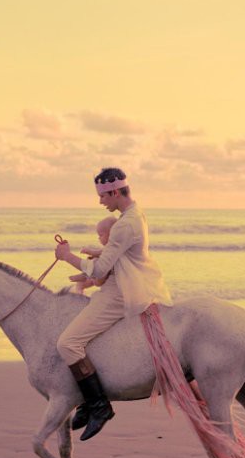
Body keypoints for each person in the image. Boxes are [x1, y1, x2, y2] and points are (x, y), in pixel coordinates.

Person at [54, 167, 172, 441]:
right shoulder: (134, 214)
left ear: (116, 192)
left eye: (103, 196)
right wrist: (99, 250)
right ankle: (87, 402)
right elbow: (122, 252)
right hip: (122, 284)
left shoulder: (124, 225)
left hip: (118, 292)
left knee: (67, 343)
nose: (100, 201)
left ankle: (99, 406)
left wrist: (66, 256)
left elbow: (99, 271)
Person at [68, 215, 117, 293]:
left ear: (111, 235)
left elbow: (100, 252)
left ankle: (84, 277)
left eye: (101, 235)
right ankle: (81, 285)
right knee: (94, 262)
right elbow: (101, 253)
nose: (99, 238)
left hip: (103, 275)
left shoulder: (112, 247)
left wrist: (90, 251)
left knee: (96, 262)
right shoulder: (112, 247)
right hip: (104, 275)